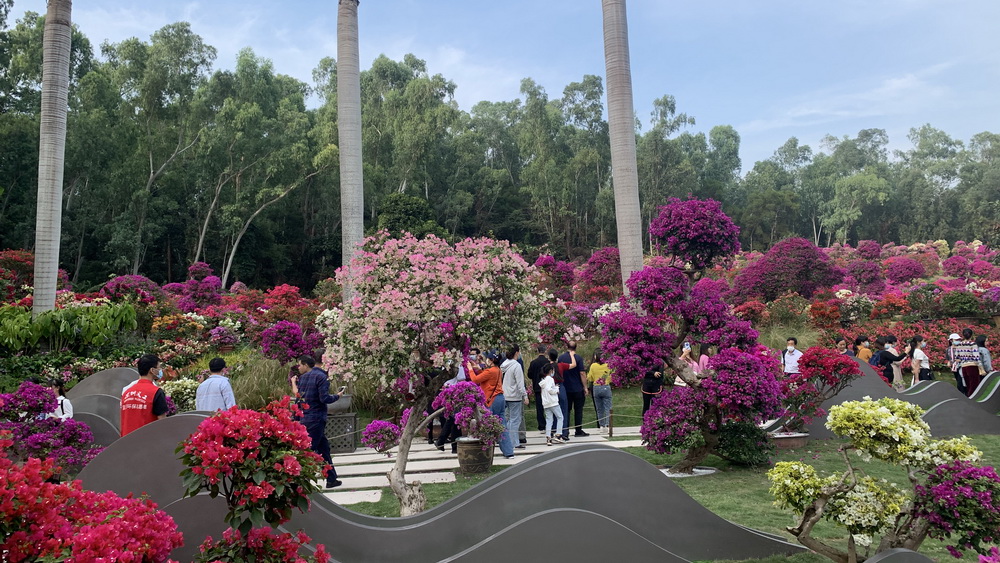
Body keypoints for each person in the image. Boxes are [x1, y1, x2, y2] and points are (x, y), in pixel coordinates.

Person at [292, 355, 343, 489]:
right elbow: (324, 398)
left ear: (306, 365)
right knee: (309, 451)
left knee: (323, 449)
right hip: (316, 419)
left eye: (300, 365)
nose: (299, 367)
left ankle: (331, 479)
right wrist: (337, 396)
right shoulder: (321, 377)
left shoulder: (303, 378)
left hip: (305, 418)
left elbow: (299, 399)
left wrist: (295, 418)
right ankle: (298, 482)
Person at [468, 352, 513, 458]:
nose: (486, 360)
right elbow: (487, 378)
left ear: (491, 360)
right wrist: (479, 369)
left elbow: (475, 379)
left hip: (492, 400)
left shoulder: (490, 371)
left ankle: (485, 452)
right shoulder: (498, 370)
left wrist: (470, 369)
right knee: (502, 426)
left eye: (488, 358)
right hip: (500, 399)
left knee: (487, 425)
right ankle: (509, 452)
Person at [120, 354, 169, 437]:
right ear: (152, 370)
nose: (161, 370)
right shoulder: (156, 392)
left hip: (126, 441)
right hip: (148, 441)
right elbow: (162, 423)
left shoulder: (126, 393)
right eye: (159, 367)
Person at [500, 346, 529, 452]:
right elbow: (520, 383)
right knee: (515, 420)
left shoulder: (503, 365)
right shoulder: (516, 366)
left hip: (505, 394)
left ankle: (508, 440)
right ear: (517, 353)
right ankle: (514, 442)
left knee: (508, 419)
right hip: (515, 396)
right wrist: (525, 395)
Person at [558, 342, 588, 438]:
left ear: (567, 347)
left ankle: (565, 430)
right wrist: (585, 387)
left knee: (566, 410)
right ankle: (578, 430)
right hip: (577, 387)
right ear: (576, 347)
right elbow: (582, 373)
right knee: (578, 410)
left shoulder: (561, 358)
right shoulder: (578, 358)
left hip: (565, 387)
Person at [538, 363, 565, 445]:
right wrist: (556, 390)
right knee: (560, 417)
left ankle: (548, 437)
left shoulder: (543, 381)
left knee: (549, 420)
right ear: (551, 371)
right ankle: (558, 434)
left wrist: (554, 387)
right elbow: (549, 389)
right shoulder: (550, 379)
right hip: (553, 402)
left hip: (546, 403)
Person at [587, 349, 613, 432]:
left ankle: (601, 425)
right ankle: (608, 425)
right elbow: (612, 376)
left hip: (596, 387)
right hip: (606, 386)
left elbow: (590, 377)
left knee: (599, 408)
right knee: (608, 407)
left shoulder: (593, 366)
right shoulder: (608, 365)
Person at [526, 344, 549, 434]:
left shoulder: (533, 363)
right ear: (545, 351)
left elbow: (529, 375)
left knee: (539, 408)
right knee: (548, 406)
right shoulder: (547, 362)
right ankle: (549, 424)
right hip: (547, 387)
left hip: (537, 387)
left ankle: (541, 425)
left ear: (538, 351)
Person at [953, 328, 983, 397]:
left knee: (968, 384)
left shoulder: (959, 345)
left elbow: (957, 357)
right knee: (974, 384)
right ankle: (972, 397)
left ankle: (968, 396)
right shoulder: (973, 344)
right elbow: (976, 357)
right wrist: (981, 367)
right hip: (972, 365)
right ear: (971, 335)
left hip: (964, 366)